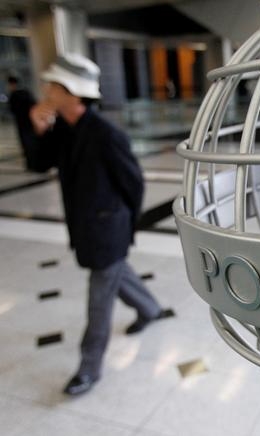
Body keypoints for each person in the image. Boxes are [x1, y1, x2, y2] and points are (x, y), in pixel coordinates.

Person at [27, 53, 169, 396]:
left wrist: (124, 226)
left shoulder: (107, 134)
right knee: (117, 275)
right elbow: (38, 163)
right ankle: (150, 309)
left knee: (98, 300)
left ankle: (89, 368)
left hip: (108, 229)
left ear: (72, 92)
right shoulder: (63, 129)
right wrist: (37, 128)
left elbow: (133, 183)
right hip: (86, 227)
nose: (46, 91)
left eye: (53, 86)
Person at [6, 74, 37, 169]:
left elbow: (12, 109)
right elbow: (34, 104)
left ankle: (30, 164)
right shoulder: (26, 92)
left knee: (25, 142)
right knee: (32, 141)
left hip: (21, 122)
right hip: (30, 121)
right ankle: (34, 162)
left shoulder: (14, 95)